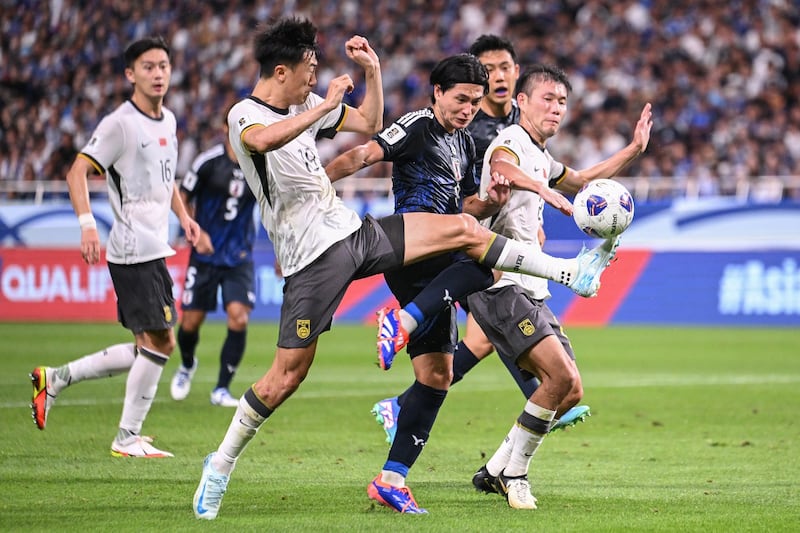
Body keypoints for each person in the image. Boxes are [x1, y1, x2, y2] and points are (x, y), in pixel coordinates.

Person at [192, 17, 617, 520]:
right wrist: (327, 106)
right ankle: (219, 466)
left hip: (353, 231)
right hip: (310, 254)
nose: (315, 77)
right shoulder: (245, 114)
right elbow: (267, 143)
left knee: (439, 366)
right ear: (281, 69)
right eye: (310, 68)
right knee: (287, 375)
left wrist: (372, 71)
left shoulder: (311, 106)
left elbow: (368, 122)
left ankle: (392, 478)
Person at [370, 35, 590, 449]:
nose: (498, 76)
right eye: (489, 70)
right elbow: (505, 164)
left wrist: (632, 149)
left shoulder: (476, 135)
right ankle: (531, 396)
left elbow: (566, 179)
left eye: (505, 67)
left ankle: (401, 414)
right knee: (487, 294)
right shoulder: (494, 134)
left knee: (475, 340)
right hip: (463, 241)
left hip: (483, 235)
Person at [325, 52, 521, 515]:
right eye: (460, 99)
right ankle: (403, 322)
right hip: (413, 245)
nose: (469, 108)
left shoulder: (467, 144)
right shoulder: (417, 125)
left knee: (437, 376)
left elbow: (466, 209)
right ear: (437, 93)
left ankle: (391, 480)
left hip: (443, 251)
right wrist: (316, 188)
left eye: (475, 101)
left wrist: (490, 200)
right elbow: (363, 153)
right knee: (489, 265)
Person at [467, 64, 652, 509]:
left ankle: (493, 470)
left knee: (571, 391)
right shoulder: (511, 141)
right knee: (560, 378)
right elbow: (501, 168)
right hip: (500, 282)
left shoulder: (540, 154)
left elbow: (584, 181)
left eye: (562, 102)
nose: (555, 108)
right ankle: (517, 474)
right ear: (521, 102)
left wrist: (633, 149)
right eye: (547, 98)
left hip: (531, 285)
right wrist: (541, 189)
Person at [29, 37, 201, 457]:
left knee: (152, 344)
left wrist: (184, 217)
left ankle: (56, 379)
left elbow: (168, 179)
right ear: (130, 74)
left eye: (163, 65)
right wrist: (87, 226)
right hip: (132, 248)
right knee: (162, 344)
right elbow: (76, 173)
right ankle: (126, 437)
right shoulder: (119, 124)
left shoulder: (170, 121)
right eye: (148, 67)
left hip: (153, 245)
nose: (158, 73)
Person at [169, 113, 258, 408]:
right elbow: (182, 196)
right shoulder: (208, 161)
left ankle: (221, 388)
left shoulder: (258, 163)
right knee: (191, 322)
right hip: (205, 256)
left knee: (239, 316)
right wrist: (195, 232)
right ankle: (187, 364)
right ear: (225, 128)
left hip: (239, 256)